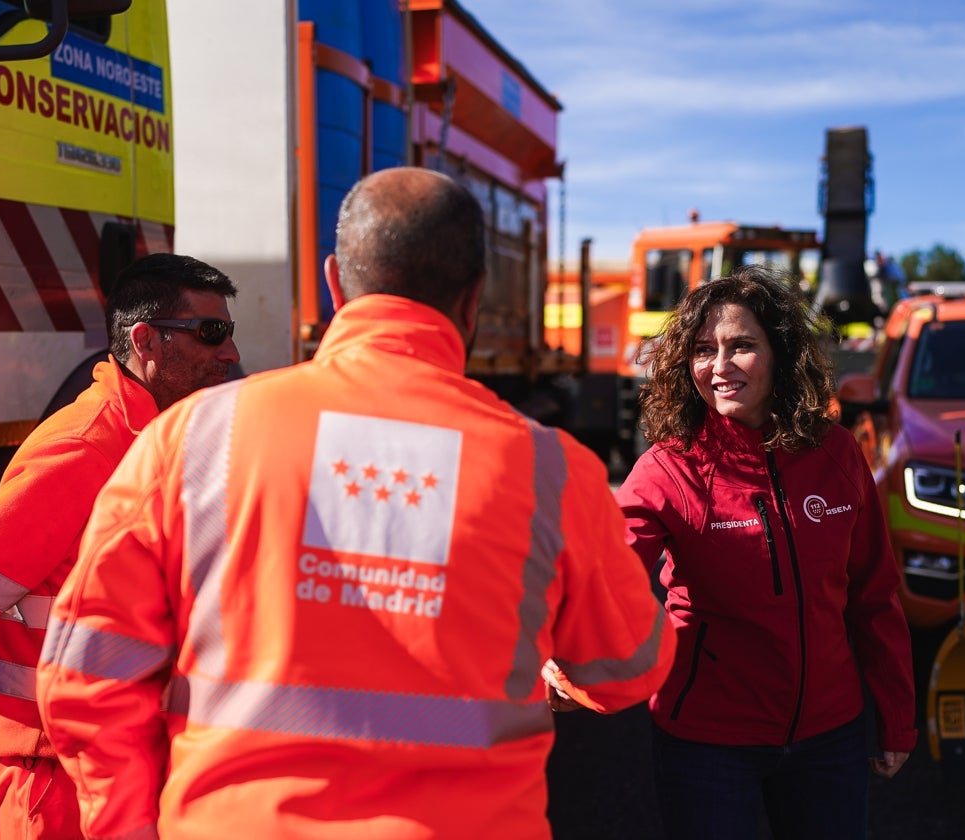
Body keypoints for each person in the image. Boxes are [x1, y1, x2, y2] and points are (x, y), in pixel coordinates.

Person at [35, 166, 675, 839]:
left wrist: (131, 827)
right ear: (475, 297)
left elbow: (86, 676)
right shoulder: (552, 470)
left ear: (335, 281)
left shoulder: (193, 439)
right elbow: (629, 667)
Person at [0, 253, 240, 839]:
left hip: (109, 773)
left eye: (228, 333)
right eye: (211, 333)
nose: (230, 353)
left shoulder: (155, 439)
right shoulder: (86, 451)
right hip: (50, 787)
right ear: (147, 341)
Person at [615, 264, 916, 840]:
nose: (720, 367)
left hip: (830, 736)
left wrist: (896, 717)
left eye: (742, 346)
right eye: (703, 350)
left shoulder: (837, 453)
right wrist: (568, 653)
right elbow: (609, 568)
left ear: (780, 353)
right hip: (708, 742)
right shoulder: (669, 468)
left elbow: (875, 594)